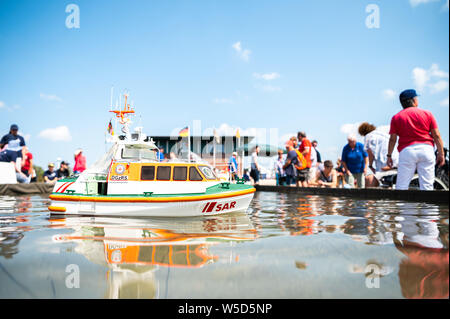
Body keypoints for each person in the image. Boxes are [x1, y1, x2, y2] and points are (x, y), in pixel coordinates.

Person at [387, 89, 445, 190]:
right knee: (427, 186)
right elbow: (436, 135)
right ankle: (428, 206)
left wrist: (389, 155)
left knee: (401, 186)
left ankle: (404, 206)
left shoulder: (396, 117)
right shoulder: (427, 114)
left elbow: (392, 139)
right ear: (413, 100)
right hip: (426, 149)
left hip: (407, 151)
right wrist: (441, 153)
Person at [358, 122, 399, 187]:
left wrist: (370, 166)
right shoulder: (382, 134)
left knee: (369, 179)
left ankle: (369, 196)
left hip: (385, 163)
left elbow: (370, 154)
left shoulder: (368, 136)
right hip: (397, 161)